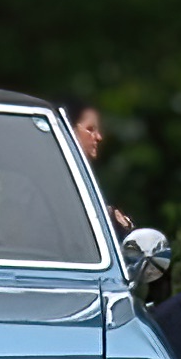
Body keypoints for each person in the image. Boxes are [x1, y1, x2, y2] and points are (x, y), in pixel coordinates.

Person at [63, 98, 168, 302]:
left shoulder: (80, 182)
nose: (99, 137)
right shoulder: (57, 185)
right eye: (90, 129)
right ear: (67, 131)